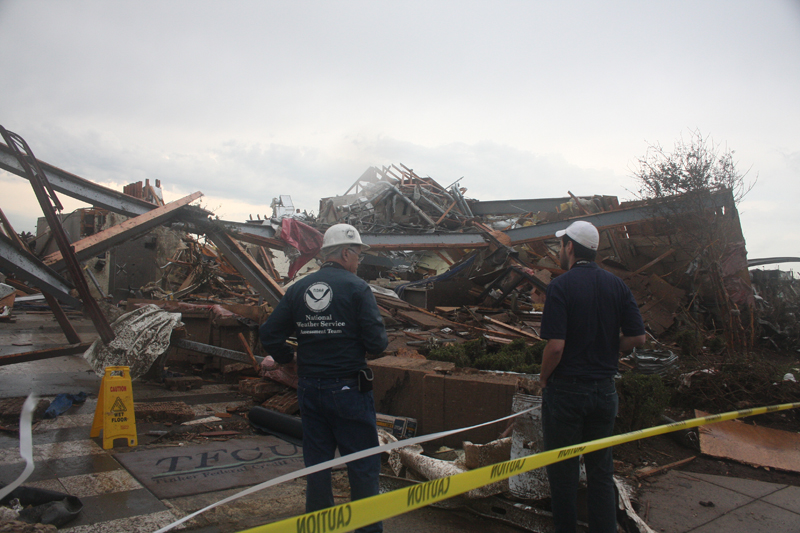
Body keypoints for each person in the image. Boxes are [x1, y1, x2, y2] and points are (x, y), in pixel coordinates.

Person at [260, 223, 388, 533]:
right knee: (363, 466)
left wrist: (288, 361)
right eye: (357, 254)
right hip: (348, 390)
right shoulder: (358, 288)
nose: (359, 262)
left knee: (317, 466)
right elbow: (378, 344)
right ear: (345, 253)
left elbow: (269, 333)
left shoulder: (300, 289)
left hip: (310, 390)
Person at [538, 220, 646, 533]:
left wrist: (544, 379)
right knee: (600, 473)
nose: (560, 250)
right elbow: (638, 339)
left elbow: (555, 348)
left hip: (566, 394)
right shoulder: (618, 286)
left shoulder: (561, 286)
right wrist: (611, 350)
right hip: (604, 393)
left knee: (564, 473)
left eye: (562, 244)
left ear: (570, 247)